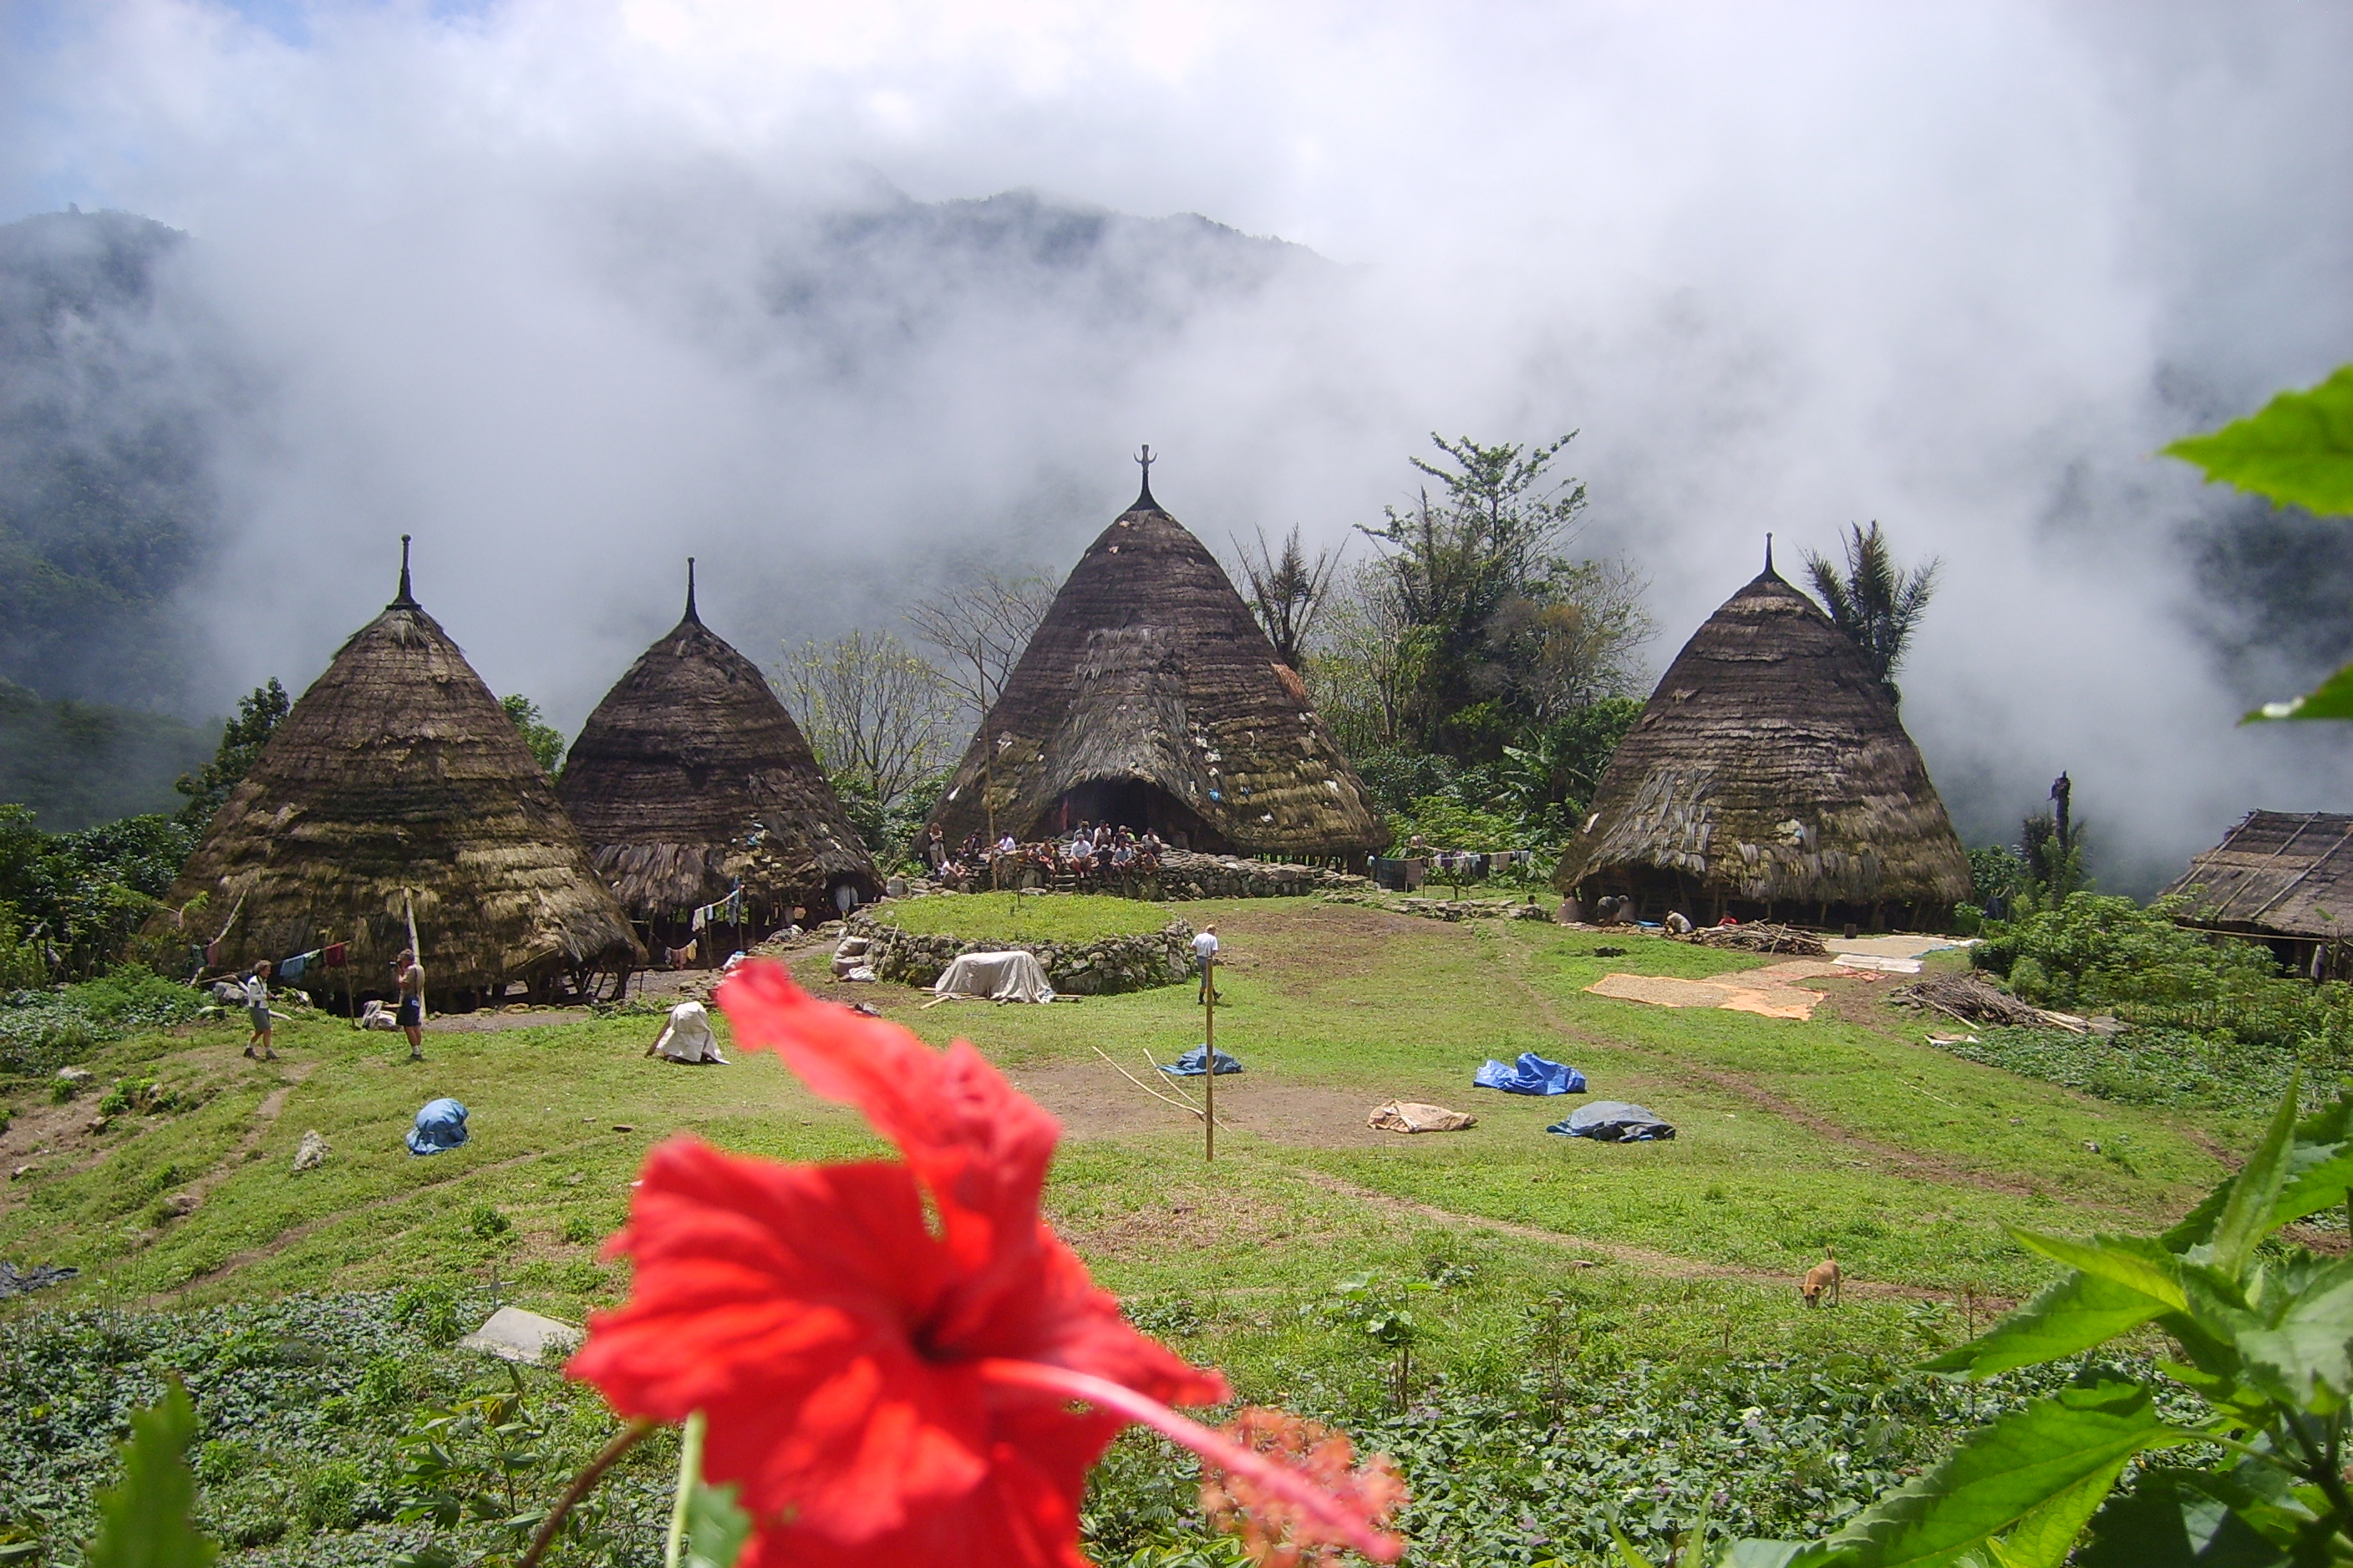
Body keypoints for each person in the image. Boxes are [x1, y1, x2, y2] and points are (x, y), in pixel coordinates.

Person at [646, 999, 727, 1063]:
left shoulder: (681, 1011)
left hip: (688, 1027)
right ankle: (690, 1056)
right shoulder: (686, 1011)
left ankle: (683, 1056)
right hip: (690, 1027)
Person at [392, 948, 425, 1061]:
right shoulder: (420, 968)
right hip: (417, 998)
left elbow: (404, 984)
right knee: (416, 1024)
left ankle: (416, 1051)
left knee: (408, 1026)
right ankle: (418, 1048)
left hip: (409, 999)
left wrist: (399, 975)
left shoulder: (410, 970)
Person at [242, 960, 277, 1060]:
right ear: (261, 971)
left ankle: (249, 1049)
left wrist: (271, 997)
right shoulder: (254, 982)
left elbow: (264, 992)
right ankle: (269, 1051)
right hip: (256, 1009)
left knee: (259, 1031)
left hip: (264, 1007)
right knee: (267, 1029)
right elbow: (252, 996)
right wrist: (265, 996)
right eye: (267, 970)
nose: (269, 972)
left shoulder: (263, 982)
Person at [1192, 922, 1221, 1004]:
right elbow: (1214, 951)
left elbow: (1192, 946)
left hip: (1199, 959)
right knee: (1205, 980)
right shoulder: (1213, 938)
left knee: (1207, 977)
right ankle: (1200, 999)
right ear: (1212, 931)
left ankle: (1215, 994)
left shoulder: (1199, 936)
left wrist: (1198, 951)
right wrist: (1210, 955)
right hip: (1207, 960)